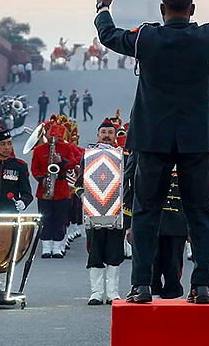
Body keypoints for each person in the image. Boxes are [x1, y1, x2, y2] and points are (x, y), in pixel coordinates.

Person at [94, 0, 209, 304]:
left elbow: (108, 36)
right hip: (196, 139)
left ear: (163, 8)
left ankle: (141, 286)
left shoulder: (147, 37)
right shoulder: (207, 37)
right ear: (191, 9)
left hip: (152, 138)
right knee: (201, 213)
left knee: (146, 212)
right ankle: (203, 285)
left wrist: (103, 5)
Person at [74, 117, 127, 305]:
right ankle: (96, 292)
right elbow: (78, 183)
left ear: (115, 136)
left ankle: (112, 292)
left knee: (114, 252)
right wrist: (82, 195)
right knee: (95, 252)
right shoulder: (88, 156)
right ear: (98, 135)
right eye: (103, 132)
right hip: (94, 211)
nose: (106, 136)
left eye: (110, 133)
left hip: (116, 211)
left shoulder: (122, 156)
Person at [30, 115, 82, 258]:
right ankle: (46, 247)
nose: (54, 137)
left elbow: (72, 163)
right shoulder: (39, 150)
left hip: (61, 188)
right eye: (51, 133)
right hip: (44, 188)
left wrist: (62, 160)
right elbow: (34, 168)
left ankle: (57, 247)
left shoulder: (67, 147)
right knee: (45, 218)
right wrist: (42, 179)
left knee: (60, 219)